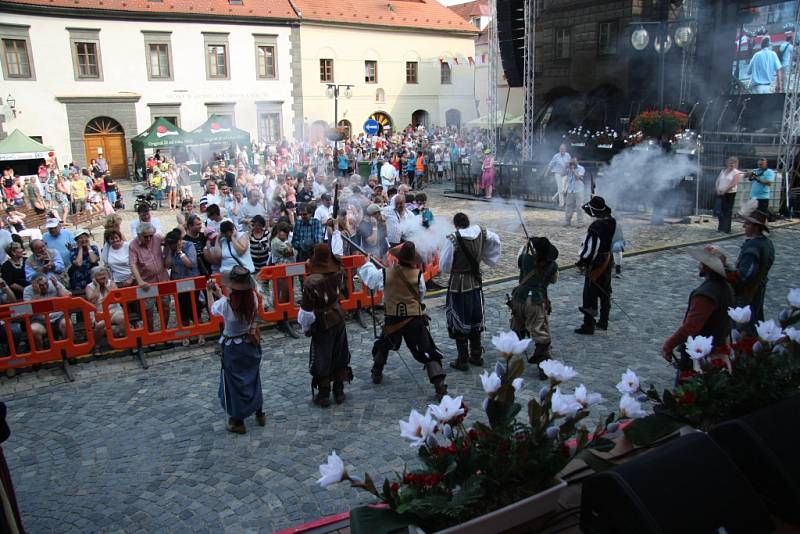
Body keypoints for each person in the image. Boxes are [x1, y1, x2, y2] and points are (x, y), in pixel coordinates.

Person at [362, 242, 448, 399]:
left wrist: (368, 263)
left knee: (384, 344)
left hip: (393, 319)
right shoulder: (418, 276)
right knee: (427, 351)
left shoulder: (385, 273)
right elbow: (420, 295)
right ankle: (439, 385)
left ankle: (376, 372)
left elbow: (371, 280)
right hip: (413, 320)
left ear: (398, 259)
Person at [440, 212, 502, 371]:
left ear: (455, 225)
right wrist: (484, 257)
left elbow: (445, 265)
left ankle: (462, 359)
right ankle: (476, 355)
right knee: (475, 317)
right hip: (475, 282)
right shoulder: (482, 232)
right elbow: (496, 241)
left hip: (458, 285)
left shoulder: (452, 238)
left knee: (458, 318)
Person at [208, 266, 266, 434]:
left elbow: (214, 309)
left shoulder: (226, 305)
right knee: (253, 378)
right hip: (250, 343)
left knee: (235, 383)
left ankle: (238, 421)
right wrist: (220, 293)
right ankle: (260, 413)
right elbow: (234, 304)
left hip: (233, 348)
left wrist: (210, 292)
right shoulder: (253, 298)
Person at [661, 246, 735, 371]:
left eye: (702, 262)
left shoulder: (706, 294)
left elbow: (690, 327)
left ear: (706, 267)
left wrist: (668, 345)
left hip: (704, 356)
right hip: (717, 348)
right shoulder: (725, 287)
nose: (699, 265)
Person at [297, 244, 352, 407]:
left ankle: (324, 394)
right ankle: (339, 390)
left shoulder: (310, 282)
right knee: (339, 352)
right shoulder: (338, 271)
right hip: (338, 317)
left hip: (322, 323)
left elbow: (306, 312)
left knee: (322, 356)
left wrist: (306, 328)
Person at [510, 237, 559, 377]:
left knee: (517, 326)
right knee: (540, 333)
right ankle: (543, 366)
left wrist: (527, 248)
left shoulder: (525, 258)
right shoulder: (552, 265)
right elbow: (554, 280)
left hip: (518, 298)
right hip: (535, 301)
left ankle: (512, 357)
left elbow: (520, 261)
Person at [574, 196, 616, 335]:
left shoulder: (596, 226)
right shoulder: (611, 221)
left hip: (597, 262)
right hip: (607, 259)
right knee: (605, 291)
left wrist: (583, 261)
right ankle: (604, 321)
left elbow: (590, 248)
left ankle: (588, 325)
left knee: (590, 293)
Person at [734, 203, 774, 327]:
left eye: (747, 223)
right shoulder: (768, 243)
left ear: (756, 227)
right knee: (755, 318)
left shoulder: (753, 246)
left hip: (749, 292)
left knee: (745, 324)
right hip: (759, 288)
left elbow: (745, 275)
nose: (744, 226)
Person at [163, 229, 204, 346]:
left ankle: (200, 333)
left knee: (196, 310)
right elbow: (167, 265)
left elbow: (190, 264)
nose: (172, 246)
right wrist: (170, 251)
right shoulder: (170, 249)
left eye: (173, 243)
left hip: (191, 282)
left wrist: (180, 252)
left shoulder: (189, 245)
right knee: (182, 312)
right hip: (178, 284)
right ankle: (186, 335)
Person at [128, 222, 170, 332]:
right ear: (138, 235)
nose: (148, 238)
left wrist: (167, 252)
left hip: (162, 278)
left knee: (165, 305)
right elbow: (132, 263)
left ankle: (164, 330)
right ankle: (150, 332)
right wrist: (140, 281)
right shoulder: (133, 245)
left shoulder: (157, 237)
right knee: (148, 310)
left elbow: (169, 241)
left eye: (150, 235)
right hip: (147, 282)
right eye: (145, 236)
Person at [24, 272, 69, 349]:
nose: (45, 287)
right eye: (41, 285)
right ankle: (40, 355)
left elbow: (67, 298)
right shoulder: (28, 290)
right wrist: (37, 294)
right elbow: (27, 310)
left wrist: (57, 286)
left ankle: (67, 350)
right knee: (33, 330)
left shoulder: (54, 283)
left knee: (67, 324)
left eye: (46, 283)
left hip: (58, 317)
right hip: (39, 320)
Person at [85, 266, 126, 350]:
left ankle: (126, 341)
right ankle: (97, 345)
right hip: (99, 313)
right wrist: (97, 287)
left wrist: (107, 286)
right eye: (99, 275)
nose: (102, 277)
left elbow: (117, 295)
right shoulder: (89, 287)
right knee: (100, 325)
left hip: (114, 310)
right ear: (94, 277)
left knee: (122, 319)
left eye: (104, 274)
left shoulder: (111, 283)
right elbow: (92, 300)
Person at [715, 157, 741, 234]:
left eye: (733, 163)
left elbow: (733, 184)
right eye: (730, 162)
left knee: (727, 211)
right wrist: (717, 189)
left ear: (736, 164)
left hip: (730, 194)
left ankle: (727, 229)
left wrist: (724, 191)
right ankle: (720, 227)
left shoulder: (736, 173)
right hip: (720, 192)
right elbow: (717, 180)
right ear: (727, 163)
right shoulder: (723, 170)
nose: (731, 164)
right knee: (720, 210)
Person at [562, 158, 586, 226]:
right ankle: (567, 221)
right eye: (571, 163)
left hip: (579, 190)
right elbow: (562, 174)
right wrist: (565, 167)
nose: (572, 164)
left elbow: (578, 177)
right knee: (568, 206)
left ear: (576, 162)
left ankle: (580, 223)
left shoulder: (581, 168)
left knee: (579, 207)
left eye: (573, 163)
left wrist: (573, 170)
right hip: (570, 190)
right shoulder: (569, 168)